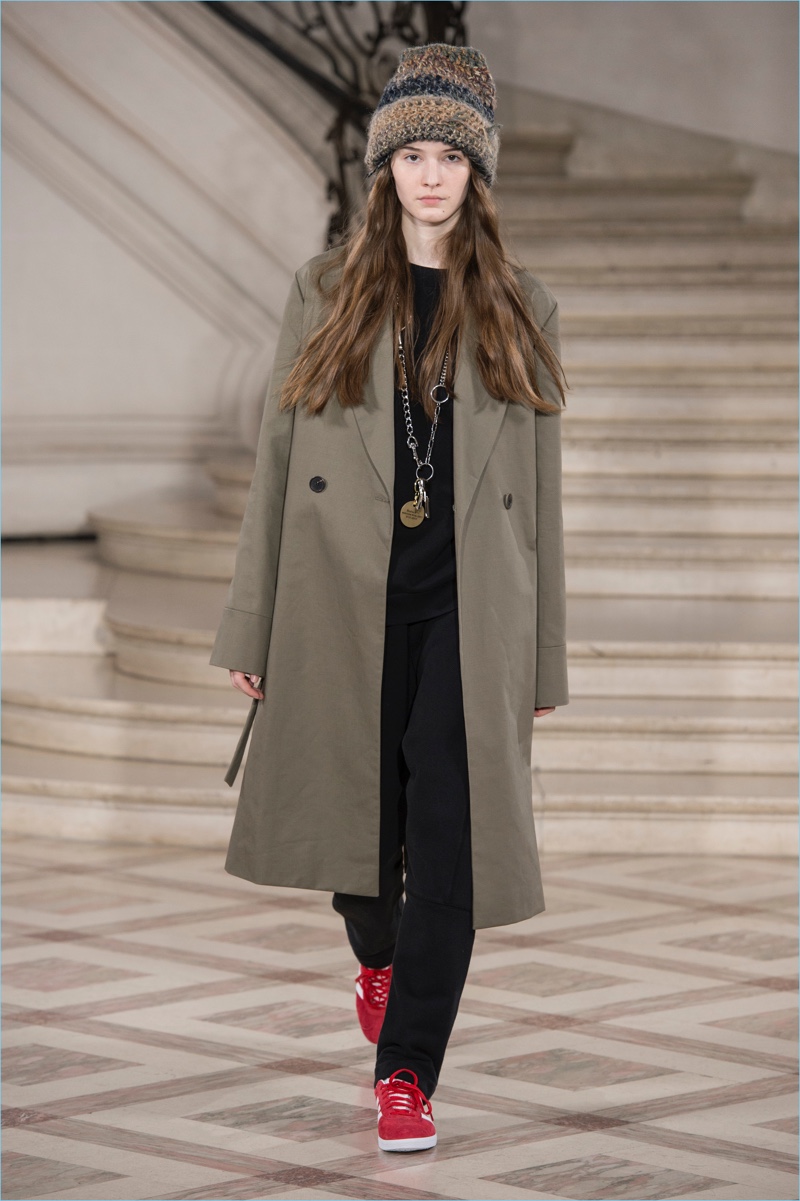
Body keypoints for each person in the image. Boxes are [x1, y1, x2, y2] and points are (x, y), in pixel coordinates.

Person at [209, 42, 569, 1153]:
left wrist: (540, 659)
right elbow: (277, 463)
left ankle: (406, 1072)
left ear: (477, 171)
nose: (429, 176)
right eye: (411, 155)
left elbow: (541, 502)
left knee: (449, 848)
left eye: (449, 157)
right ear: (384, 168)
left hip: (470, 613)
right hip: (340, 602)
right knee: (358, 850)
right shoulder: (322, 292)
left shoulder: (520, 306)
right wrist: (253, 621)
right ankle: (377, 955)